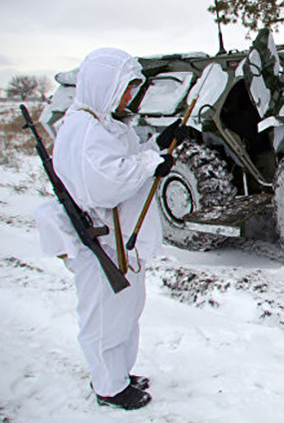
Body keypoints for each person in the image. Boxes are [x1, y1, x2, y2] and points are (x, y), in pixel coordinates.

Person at [35, 48, 180, 410]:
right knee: (103, 317)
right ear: (104, 85)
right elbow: (105, 183)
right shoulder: (83, 129)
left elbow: (124, 160)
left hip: (119, 240)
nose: (130, 95)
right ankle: (108, 387)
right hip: (101, 240)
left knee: (126, 312)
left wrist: (156, 146)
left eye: (132, 88)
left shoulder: (106, 125)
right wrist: (150, 164)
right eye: (126, 88)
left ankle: (119, 374)